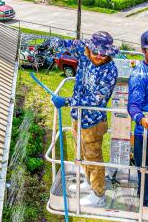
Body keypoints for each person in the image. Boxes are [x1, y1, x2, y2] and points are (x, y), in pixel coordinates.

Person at [51, 31, 119, 207]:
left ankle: (99, 195)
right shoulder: (84, 51)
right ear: (89, 48)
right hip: (77, 116)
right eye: (95, 51)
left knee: (93, 157)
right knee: (79, 152)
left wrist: (66, 101)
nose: (98, 56)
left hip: (93, 121)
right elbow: (71, 44)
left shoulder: (109, 71)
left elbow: (96, 101)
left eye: (103, 53)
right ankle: (88, 182)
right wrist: (56, 41)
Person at [127, 30, 148, 207]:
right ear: (143, 50)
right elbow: (133, 106)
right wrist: (142, 119)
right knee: (147, 177)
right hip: (146, 136)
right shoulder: (139, 75)